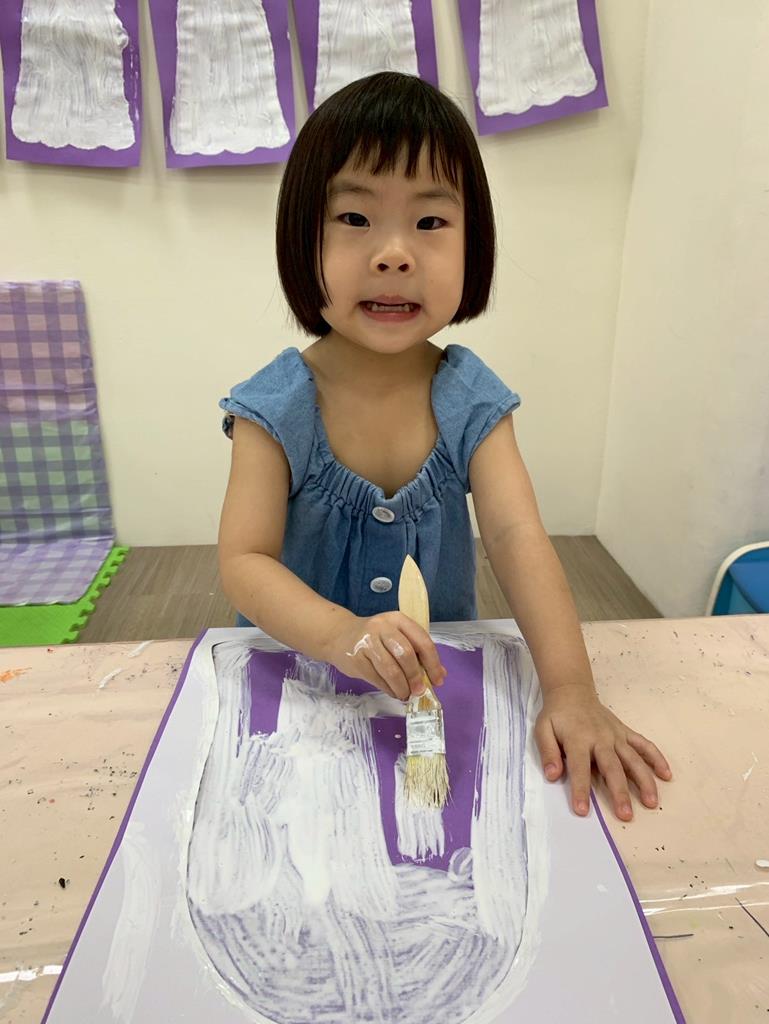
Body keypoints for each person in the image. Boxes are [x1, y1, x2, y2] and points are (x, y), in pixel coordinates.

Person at [218, 71, 671, 822]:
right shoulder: (274, 405)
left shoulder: (471, 397)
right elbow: (243, 562)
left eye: (430, 222)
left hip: (434, 688)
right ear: (302, 238)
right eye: (354, 217)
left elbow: (517, 537)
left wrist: (570, 691)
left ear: (474, 244)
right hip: (295, 680)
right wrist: (342, 635)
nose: (394, 253)